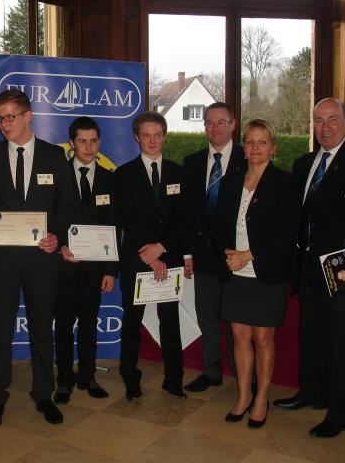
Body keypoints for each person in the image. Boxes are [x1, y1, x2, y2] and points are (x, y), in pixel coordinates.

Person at [274, 98, 345, 437]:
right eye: (318, 120)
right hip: (310, 269)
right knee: (312, 335)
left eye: (332, 120)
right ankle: (311, 393)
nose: (325, 127)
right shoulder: (304, 163)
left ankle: (339, 412)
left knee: (343, 341)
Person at [0, 89, 74, 429]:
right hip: (0, 260)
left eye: (10, 117)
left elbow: (66, 207)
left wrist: (57, 235)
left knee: (42, 329)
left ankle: (43, 394)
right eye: (0, 118)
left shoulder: (56, 157)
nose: (4, 125)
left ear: (28, 116)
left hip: (42, 260)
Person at [212, 119, 299, 429]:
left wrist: (248, 255)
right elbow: (219, 225)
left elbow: (287, 233)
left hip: (266, 270)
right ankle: (244, 395)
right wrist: (229, 255)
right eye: (250, 142)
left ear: (273, 147)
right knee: (239, 335)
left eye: (262, 142)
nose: (255, 148)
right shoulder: (231, 181)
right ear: (243, 146)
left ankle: (262, 397)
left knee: (263, 338)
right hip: (234, 269)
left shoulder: (285, 183)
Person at [115, 111, 185, 401]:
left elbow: (184, 219)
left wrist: (162, 249)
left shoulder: (179, 173)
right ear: (136, 137)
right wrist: (148, 254)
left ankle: (174, 380)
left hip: (168, 260)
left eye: (157, 134)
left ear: (165, 136)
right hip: (136, 260)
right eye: (146, 134)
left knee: (170, 323)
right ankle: (131, 379)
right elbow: (123, 221)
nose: (152, 140)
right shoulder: (123, 175)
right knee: (132, 324)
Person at [182, 102, 245, 393]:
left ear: (233, 125)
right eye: (209, 122)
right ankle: (212, 371)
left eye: (222, 122)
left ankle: (243, 376)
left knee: (237, 323)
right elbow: (187, 211)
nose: (215, 128)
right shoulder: (193, 162)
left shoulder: (248, 160)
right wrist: (188, 253)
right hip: (203, 256)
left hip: (236, 258)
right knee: (208, 319)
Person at [54, 116, 117, 404]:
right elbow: (50, 221)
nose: (88, 147)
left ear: (99, 142)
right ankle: (65, 379)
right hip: (65, 265)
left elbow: (117, 228)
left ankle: (88, 376)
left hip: (95, 269)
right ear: (71, 143)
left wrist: (111, 271)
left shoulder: (110, 179)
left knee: (90, 323)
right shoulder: (57, 176)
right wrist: (60, 248)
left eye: (93, 141)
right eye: (82, 141)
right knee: (64, 324)